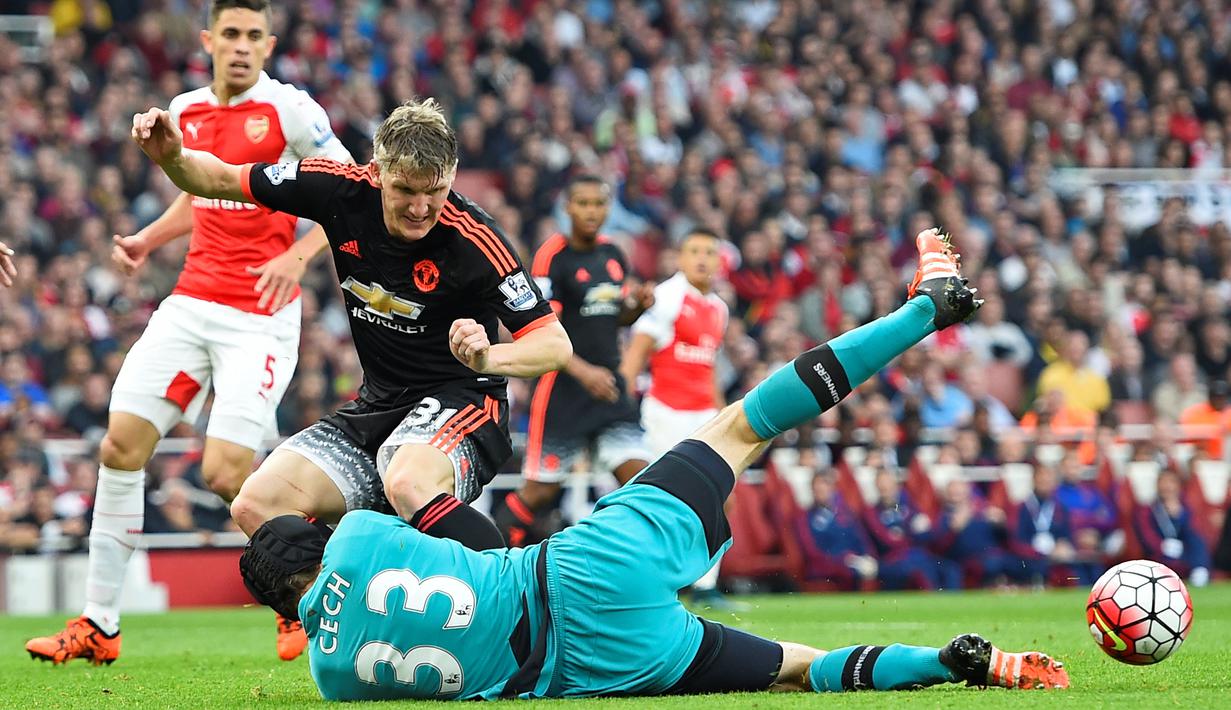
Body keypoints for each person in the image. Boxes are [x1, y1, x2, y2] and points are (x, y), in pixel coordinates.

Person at [241, 230, 1068, 700]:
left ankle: (956, 664)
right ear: (309, 544)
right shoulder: (349, 535)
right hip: (579, 569)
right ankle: (926, 309)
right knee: (743, 426)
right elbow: (452, 534)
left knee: (796, 671)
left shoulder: (332, 679)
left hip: (596, 663)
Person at [127, 85, 572, 626]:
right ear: (378, 170)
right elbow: (219, 177)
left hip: (464, 401)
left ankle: (520, 616)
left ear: (451, 177)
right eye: (406, 189)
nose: (420, 207)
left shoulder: (474, 238)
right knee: (254, 506)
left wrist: (489, 359)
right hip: (378, 407)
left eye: (435, 191)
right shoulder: (336, 189)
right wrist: (172, 156)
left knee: (405, 477)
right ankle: (362, 624)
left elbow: (553, 344)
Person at [26, 0, 354, 666]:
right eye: (229, 33)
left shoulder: (292, 111)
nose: (240, 46)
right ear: (207, 39)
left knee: (223, 473)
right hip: (190, 303)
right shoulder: (187, 108)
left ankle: (300, 581)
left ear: (267, 44)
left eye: (252, 36)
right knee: (120, 446)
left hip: (258, 318)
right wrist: (149, 238)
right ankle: (100, 624)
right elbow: (198, 187)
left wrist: (297, 255)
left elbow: (350, 189)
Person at [494, 175, 653, 546]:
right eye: (583, 203)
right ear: (567, 207)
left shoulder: (613, 255)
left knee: (641, 484)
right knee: (540, 493)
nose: (591, 212)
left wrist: (636, 307)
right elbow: (542, 329)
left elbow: (614, 317)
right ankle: (493, 561)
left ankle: (643, 576)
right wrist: (585, 374)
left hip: (608, 389)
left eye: (598, 204)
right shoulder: (553, 256)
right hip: (563, 391)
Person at [619, 228, 729, 603]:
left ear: (719, 261)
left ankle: (706, 585)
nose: (702, 259)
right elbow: (635, 355)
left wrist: (720, 413)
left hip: (703, 415)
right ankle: (655, 583)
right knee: (665, 499)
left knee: (717, 495)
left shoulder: (719, 308)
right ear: (680, 258)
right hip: (664, 414)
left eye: (709, 252)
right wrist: (620, 405)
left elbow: (708, 367)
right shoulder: (667, 298)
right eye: (694, 251)